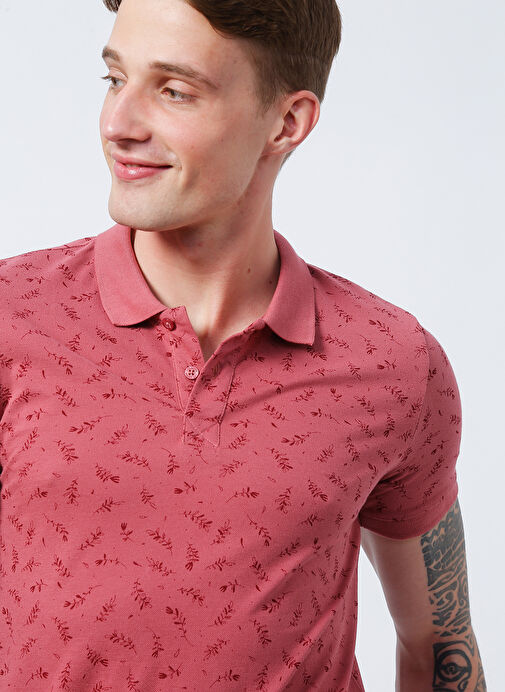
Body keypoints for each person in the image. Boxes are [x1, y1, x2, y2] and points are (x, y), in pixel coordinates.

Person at [0, 0, 486, 689]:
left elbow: (440, 642)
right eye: (115, 79)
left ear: (287, 123)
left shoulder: (393, 363)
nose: (118, 124)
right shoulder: (15, 316)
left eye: (174, 90)